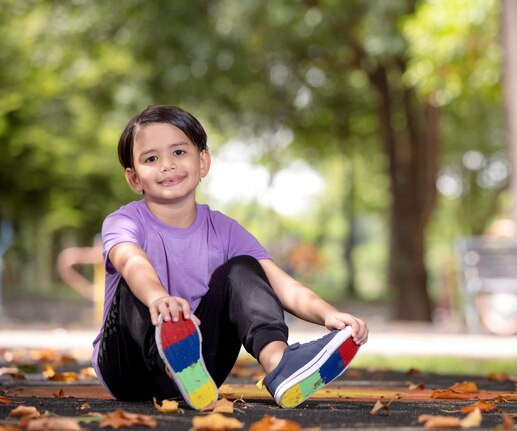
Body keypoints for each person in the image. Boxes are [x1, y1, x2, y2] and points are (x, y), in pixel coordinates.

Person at [91, 105, 368, 410]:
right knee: (133, 285)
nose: (167, 165)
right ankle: (173, 355)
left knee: (244, 269)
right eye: (151, 159)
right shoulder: (124, 222)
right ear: (133, 178)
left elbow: (281, 285)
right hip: (128, 368)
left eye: (179, 152)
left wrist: (328, 314)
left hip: (204, 371)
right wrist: (158, 298)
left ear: (203, 161)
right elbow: (131, 261)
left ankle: (280, 364)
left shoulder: (225, 231)